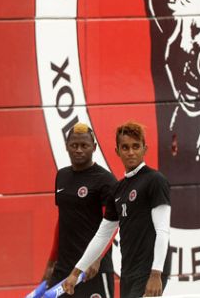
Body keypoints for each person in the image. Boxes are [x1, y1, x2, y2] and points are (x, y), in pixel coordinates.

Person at [63, 121, 171, 298]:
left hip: (149, 272)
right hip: (128, 272)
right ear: (117, 151)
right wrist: (76, 273)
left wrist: (156, 274)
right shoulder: (118, 190)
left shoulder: (155, 181)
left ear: (144, 149)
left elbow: (162, 230)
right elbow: (103, 235)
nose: (131, 152)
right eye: (125, 147)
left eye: (136, 146)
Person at [40, 122, 117, 297]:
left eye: (84, 145)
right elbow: (62, 221)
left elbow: (112, 226)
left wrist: (97, 258)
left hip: (92, 270)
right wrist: (51, 263)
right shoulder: (62, 176)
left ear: (94, 147)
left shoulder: (106, 181)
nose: (79, 150)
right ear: (67, 147)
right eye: (74, 145)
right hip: (63, 269)